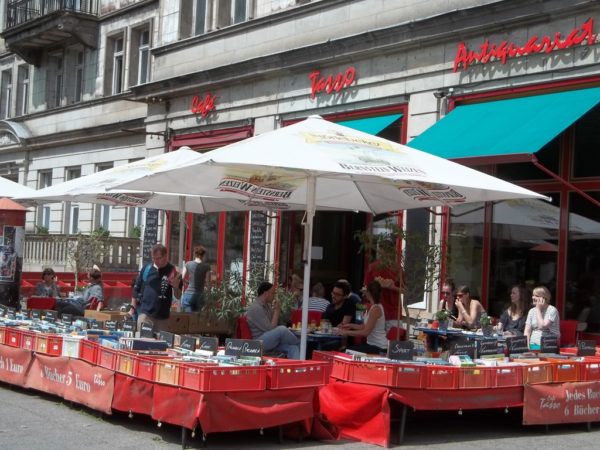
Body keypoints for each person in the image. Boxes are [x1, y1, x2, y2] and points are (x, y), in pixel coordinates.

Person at [131, 244, 182, 333]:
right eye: (153, 258)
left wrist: (176, 287)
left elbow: (178, 296)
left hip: (163, 318)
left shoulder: (172, 271)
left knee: (160, 345)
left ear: (166, 256)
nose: (156, 261)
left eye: (158, 258)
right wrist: (132, 308)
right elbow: (136, 289)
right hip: (145, 315)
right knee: (143, 343)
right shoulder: (147, 269)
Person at [246, 281, 300, 359]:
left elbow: (275, 323)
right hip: (259, 342)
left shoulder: (267, 305)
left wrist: (276, 311)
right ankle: (300, 343)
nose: (274, 296)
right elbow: (270, 328)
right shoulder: (256, 308)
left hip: (270, 339)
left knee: (293, 348)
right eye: (272, 293)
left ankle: (298, 369)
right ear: (266, 293)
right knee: (282, 329)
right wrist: (277, 311)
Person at [335, 280, 388, 354]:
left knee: (345, 351)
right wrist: (349, 326)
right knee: (345, 350)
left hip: (379, 347)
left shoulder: (376, 309)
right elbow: (364, 326)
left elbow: (366, 332)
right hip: (372, 345)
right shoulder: (373, 307)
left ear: (368, 293)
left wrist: (345, 332)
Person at [365, 258, 402, 331]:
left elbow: (365, 290)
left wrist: (392, 287)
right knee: (392, 340)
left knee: (379, 340)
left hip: (391, 313)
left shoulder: (397, 268)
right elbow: (366, 289)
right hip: (385, 313)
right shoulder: (373, 267)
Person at [524, 285, 560, 350]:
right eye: (533, 295)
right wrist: (527, 346)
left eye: (536, 296)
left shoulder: (552, 310)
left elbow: (542, 326)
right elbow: (527, 331)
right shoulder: (531, 311)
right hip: (533, 346)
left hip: (549, 346)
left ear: (544, 298)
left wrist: (538, 309)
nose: (533, 297)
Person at [181, 245, 211, 312]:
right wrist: (208, 297)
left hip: (188, 294)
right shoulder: (206, 267)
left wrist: (187, 282)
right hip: (200, 295)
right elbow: (208, 282)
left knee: (188, 319)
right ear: (203, 255)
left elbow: (181, 278)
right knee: (197, 320)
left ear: (195, 254)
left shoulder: (188, 264)